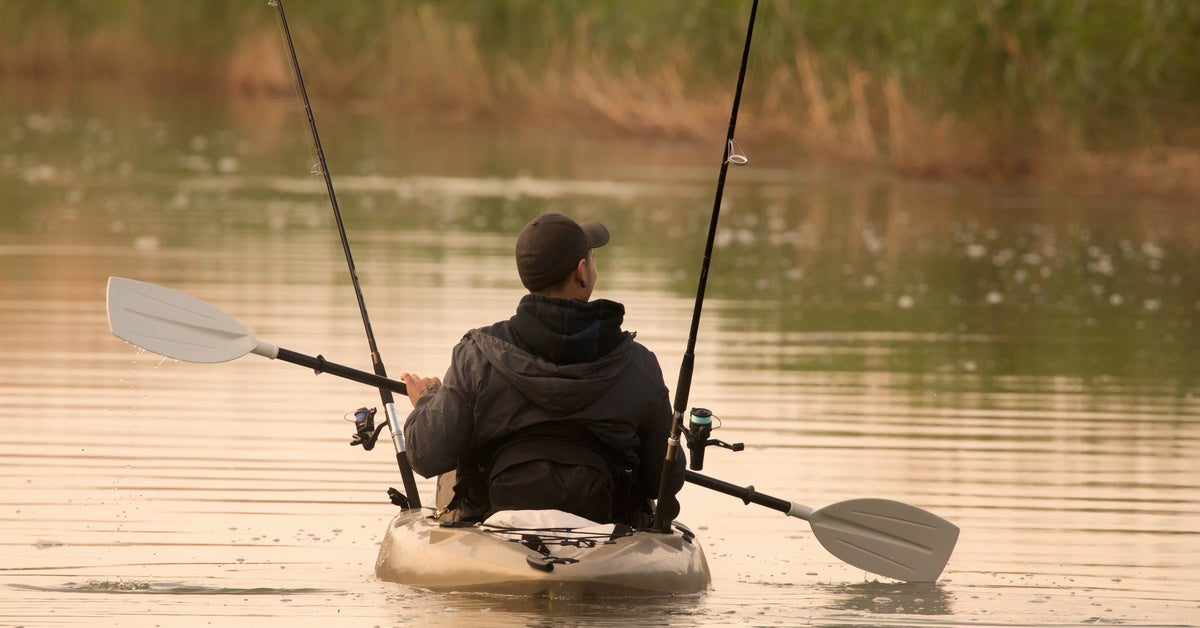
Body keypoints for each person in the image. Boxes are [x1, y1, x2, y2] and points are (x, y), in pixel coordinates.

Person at [400, 212, 679, 527]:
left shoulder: (475, 356)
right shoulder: (639, 364)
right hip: (606, 538)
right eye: (593, 258)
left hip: (494, 536)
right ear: (583, 272)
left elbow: (426, 455)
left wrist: (427, 401)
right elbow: (664, 480)